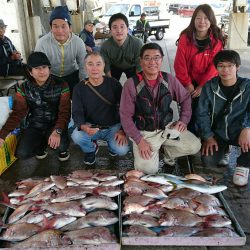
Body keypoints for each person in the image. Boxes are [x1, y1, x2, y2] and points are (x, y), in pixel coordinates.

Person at [120, 43, 201, 174]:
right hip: (145, 134)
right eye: (147, 58)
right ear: (141, 60)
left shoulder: (169, 79)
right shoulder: (131, 84)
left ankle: (168, 153)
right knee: (147, 173)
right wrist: (139, 141)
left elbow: (186, 98)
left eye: (156, 57)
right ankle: (153, 150)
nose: (152, 62)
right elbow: (125, 116)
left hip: (167, 127)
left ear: (161, 60)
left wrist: (183, 120)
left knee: (194, 145)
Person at [0, 52, 71, 161]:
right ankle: (41, 146)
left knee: (60, 145)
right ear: (30, 72)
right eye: (37, 68)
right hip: (35, 124)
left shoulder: (62, 84)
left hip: (55, 123)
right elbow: (17, 113)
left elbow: (65, 112)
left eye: (44, 67)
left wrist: (57, 131)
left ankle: (63, 148)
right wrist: (2, 135)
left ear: (49, 69)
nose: (42, 71)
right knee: (21, 153)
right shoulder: (23, 88)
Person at [197, 50, 250, 186]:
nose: (225, 70)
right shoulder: (209, 87)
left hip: (240, 132)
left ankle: (243, 164)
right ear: (216, 68)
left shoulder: (247, 86)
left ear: (237, 67)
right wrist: (208, 137)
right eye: (221, 66)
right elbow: (202, 113)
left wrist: (247, 127)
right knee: (208, 161)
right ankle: (225, 149)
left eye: (230, 65)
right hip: (219, 133)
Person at [174, 4, 224, 135]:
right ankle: (189, 139)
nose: (202, 22)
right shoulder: (185, 37)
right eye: (198, 18)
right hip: (188, 81)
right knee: (189, 110)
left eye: (206, 18)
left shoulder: (217, 40)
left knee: (207, 110)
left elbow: (215, 66)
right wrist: (187, 84)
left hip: (208, 81)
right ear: (193, 20)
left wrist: (202, 86)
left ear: (211, 20)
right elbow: (180, 64)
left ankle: (208, 137)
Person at [71, 52, 129, 165]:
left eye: (98, 64)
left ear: (104, 66)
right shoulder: (79, 88)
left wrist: (122, 130)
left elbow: (125, 108)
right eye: (90, 64)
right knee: (76, 136)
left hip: (113, 127)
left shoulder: (114, 84)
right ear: (85, 66)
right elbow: (76, 111)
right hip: (91, 127)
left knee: (122, 150)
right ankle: (91, 150)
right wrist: (83, 126)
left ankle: (112, 148)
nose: (94, 68)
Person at [35, 5, 87, 96]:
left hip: (72, 75)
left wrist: (83, 84)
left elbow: (83, 65)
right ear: (51, 27)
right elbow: (38, 66)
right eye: (55, 26)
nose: (59, 31)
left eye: (63, 26)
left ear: (70, 28)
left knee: (75, 100)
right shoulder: (42, 43)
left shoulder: (78, 42)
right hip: (51, 76)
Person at [100, 13, 143, 81]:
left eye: (122, 27)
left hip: (132, 66)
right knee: (111, 86)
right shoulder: (105, 46)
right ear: (110, 30)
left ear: (128, 29)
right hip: (114, 66)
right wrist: (111, 84)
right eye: (115, 27)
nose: (119, 30)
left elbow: (140, 66)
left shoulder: (137, 43)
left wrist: (137, 83)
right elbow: (106, 67)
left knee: (136, 85)